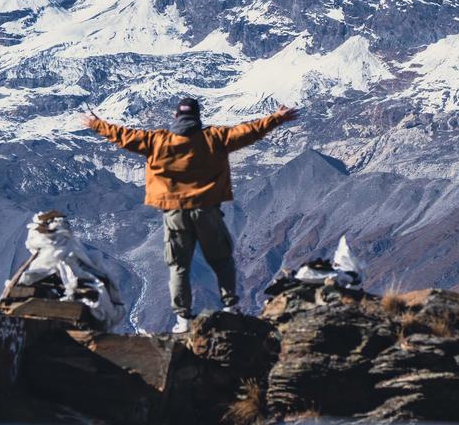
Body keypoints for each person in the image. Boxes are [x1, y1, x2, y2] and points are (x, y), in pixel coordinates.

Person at [83, 96, 298, 333]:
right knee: (221, 260)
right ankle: (230, 306)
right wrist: (276, 118)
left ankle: (183, 318)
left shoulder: (157, 141)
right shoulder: (214, 138)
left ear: (176, 116)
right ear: (198, 117)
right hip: (207, 211)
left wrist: (96, 123)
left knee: (178, 266)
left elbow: (123, 135)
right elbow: (247, 132)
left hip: (175, 213)